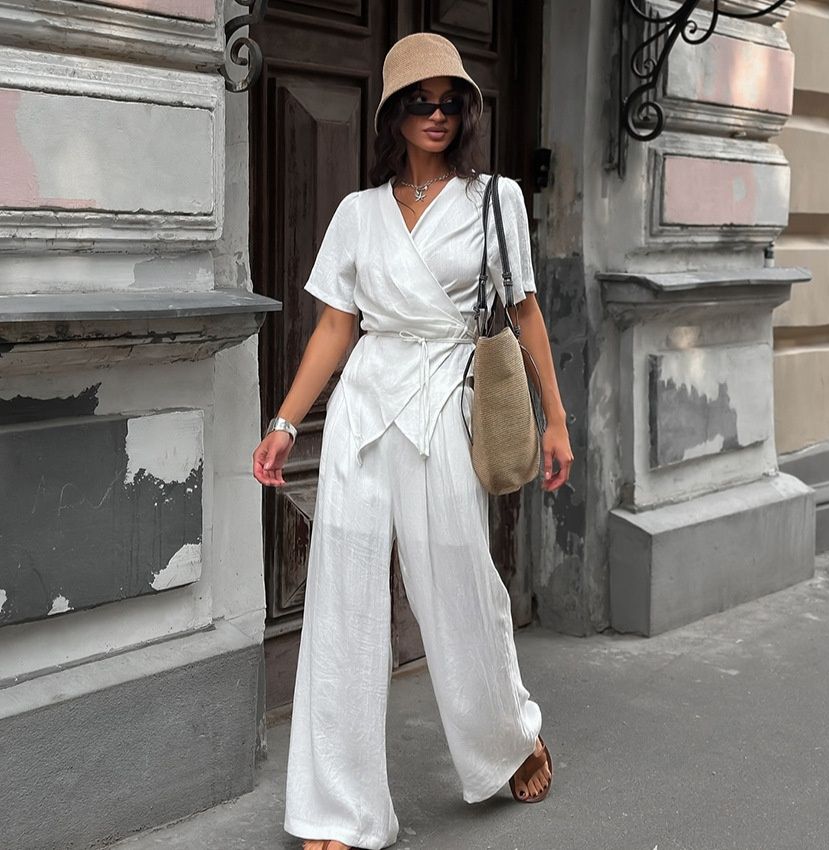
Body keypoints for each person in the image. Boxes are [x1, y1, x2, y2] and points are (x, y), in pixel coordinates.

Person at [252, 31, 574, 850]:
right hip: (364, 407)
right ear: (393, 114)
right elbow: (336, 325)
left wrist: (555, 418)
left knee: (462, 585)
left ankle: (511, 736)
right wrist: (285, 421)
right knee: (342, 599)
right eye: (420, 102)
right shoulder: (358, 213)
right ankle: (338, 806)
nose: (437, 114)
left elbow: (525, 310)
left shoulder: (495, 199)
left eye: (450, 101)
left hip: (445, 402)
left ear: (467, 110)